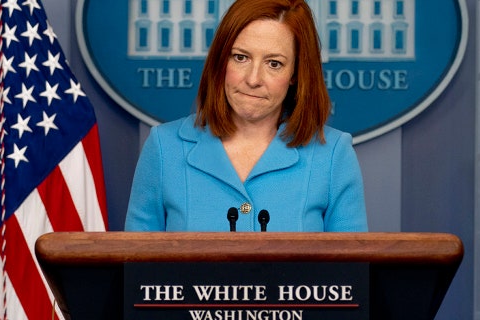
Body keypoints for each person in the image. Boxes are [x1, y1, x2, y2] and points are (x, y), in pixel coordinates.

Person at [125, 0, 367, 232]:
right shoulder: (164, 147)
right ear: (221, 61)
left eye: (274, 64)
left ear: (295, 73)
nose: (253, 79)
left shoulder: (333, 155)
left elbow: (350, 272)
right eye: (240, 57)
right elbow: (137, 268)